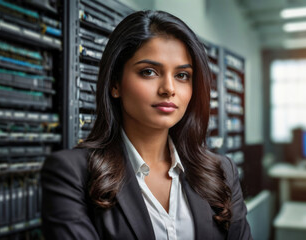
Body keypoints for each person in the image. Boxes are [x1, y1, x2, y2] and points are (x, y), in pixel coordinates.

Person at [41, 10, 253, 240]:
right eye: (149, 72)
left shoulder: (222, 171)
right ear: (115, 83)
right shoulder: (72, 174)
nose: (169, 89)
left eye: (182, 75)